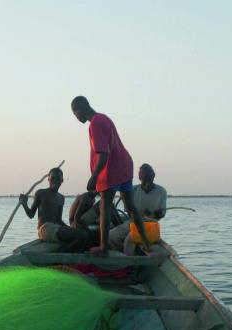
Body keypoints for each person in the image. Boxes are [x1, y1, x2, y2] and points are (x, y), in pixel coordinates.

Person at [71, 96, 150, 256]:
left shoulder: (95, 124)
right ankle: (147, 244)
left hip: (112, 168)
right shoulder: (104, 118)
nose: (76, 117)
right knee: (131, 208)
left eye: (75, 113)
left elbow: (103, 154)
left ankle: (104, 248)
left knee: (104, 207)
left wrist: (93, 177)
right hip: (125, 166)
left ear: (80, 109)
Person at [19, 167, 87, 252]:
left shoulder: (61, 198)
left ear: (62, 180)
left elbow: (59, 220)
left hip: (56, 228)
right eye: (53, 178)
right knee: (81, 235)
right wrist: (24, 204)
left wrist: (71, 229)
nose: (55, 180)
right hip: (45, 229)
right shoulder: (41, 193)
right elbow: (31, 214)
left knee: (84, 235)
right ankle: (61, 254)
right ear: (48, 179)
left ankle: (64, 253)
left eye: (58, 178)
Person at [110, 163, 167, 253]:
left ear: (153, 176)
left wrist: (152, 213)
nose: (146, 183)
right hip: (133, 221)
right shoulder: (133, 189)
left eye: (147, 175)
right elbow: (128, 210)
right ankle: (119, 255)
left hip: (150, 224)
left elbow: (161, 214)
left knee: (129, 241)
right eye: (142, 176)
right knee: (112, 235)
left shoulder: (162, 191)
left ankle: (129, 261)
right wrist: (138, 212)